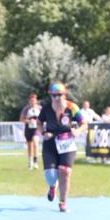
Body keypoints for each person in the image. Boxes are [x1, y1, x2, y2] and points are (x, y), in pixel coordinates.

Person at [38, 82, 84, 212]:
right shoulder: (46, 109)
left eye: (60, 95)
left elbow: (84, 123)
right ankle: (53, 186)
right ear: (50, 96)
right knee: (51, 176)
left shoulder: (72, 107)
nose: (57, 98)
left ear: (65, 94)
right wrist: (43, 132)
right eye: (54, 96)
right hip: (50, 142)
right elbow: (39, 123)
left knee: (65, 171)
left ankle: (63, 202)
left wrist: (78, 131)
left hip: (67, 141)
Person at [20, 93, 42, 170]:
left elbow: (43, 117)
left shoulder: (39, 108)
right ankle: (30, 162)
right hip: (28, 128)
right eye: (31, 100)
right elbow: (22, 119)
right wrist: (29, 121)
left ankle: (36, 161)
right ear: (29, 101)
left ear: (36, 101)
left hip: (36, 128)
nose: (32, 102)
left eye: (34, 100)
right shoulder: (26, 109)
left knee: (36, 143)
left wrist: (39, 122)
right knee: (30, 145)